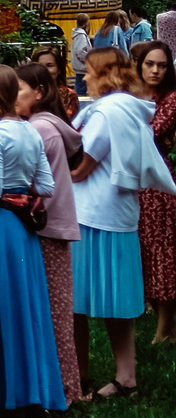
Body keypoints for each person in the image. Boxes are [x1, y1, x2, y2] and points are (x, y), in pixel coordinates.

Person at [70, 48, 176, 398]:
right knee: (112, 301)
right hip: (116, 213)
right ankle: (124, 375)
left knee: (79, 301)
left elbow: (81, 168)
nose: (84, 77)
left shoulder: (106, 113)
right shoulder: (129, 107)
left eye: (89, 72)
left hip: (94, 215)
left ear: (105, 74)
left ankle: (81, 375)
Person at [0, 65, 65, 415]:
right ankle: (32, 389)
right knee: (25, 306)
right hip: (24, 232)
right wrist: (23, 196)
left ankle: (2, 393)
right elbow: (47, 186)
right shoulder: (30, 131)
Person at [18, 62, 86, 401]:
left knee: (53, 313)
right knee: (56, 309)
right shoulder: (49, 125)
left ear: (40, 92)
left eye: (18, 90)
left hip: (45, 226)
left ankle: (64, 389)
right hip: (54, 225)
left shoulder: (38, 129)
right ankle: (63, 386)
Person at [134, 40, 176, 344]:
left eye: (162, 65)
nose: (155, 70)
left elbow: (150, 134)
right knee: (146, 251)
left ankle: (165, 328)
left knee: (163, 252)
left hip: (160, 187)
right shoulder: (133, 96)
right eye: (150, 64)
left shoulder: (171, 98)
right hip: (136, 184)